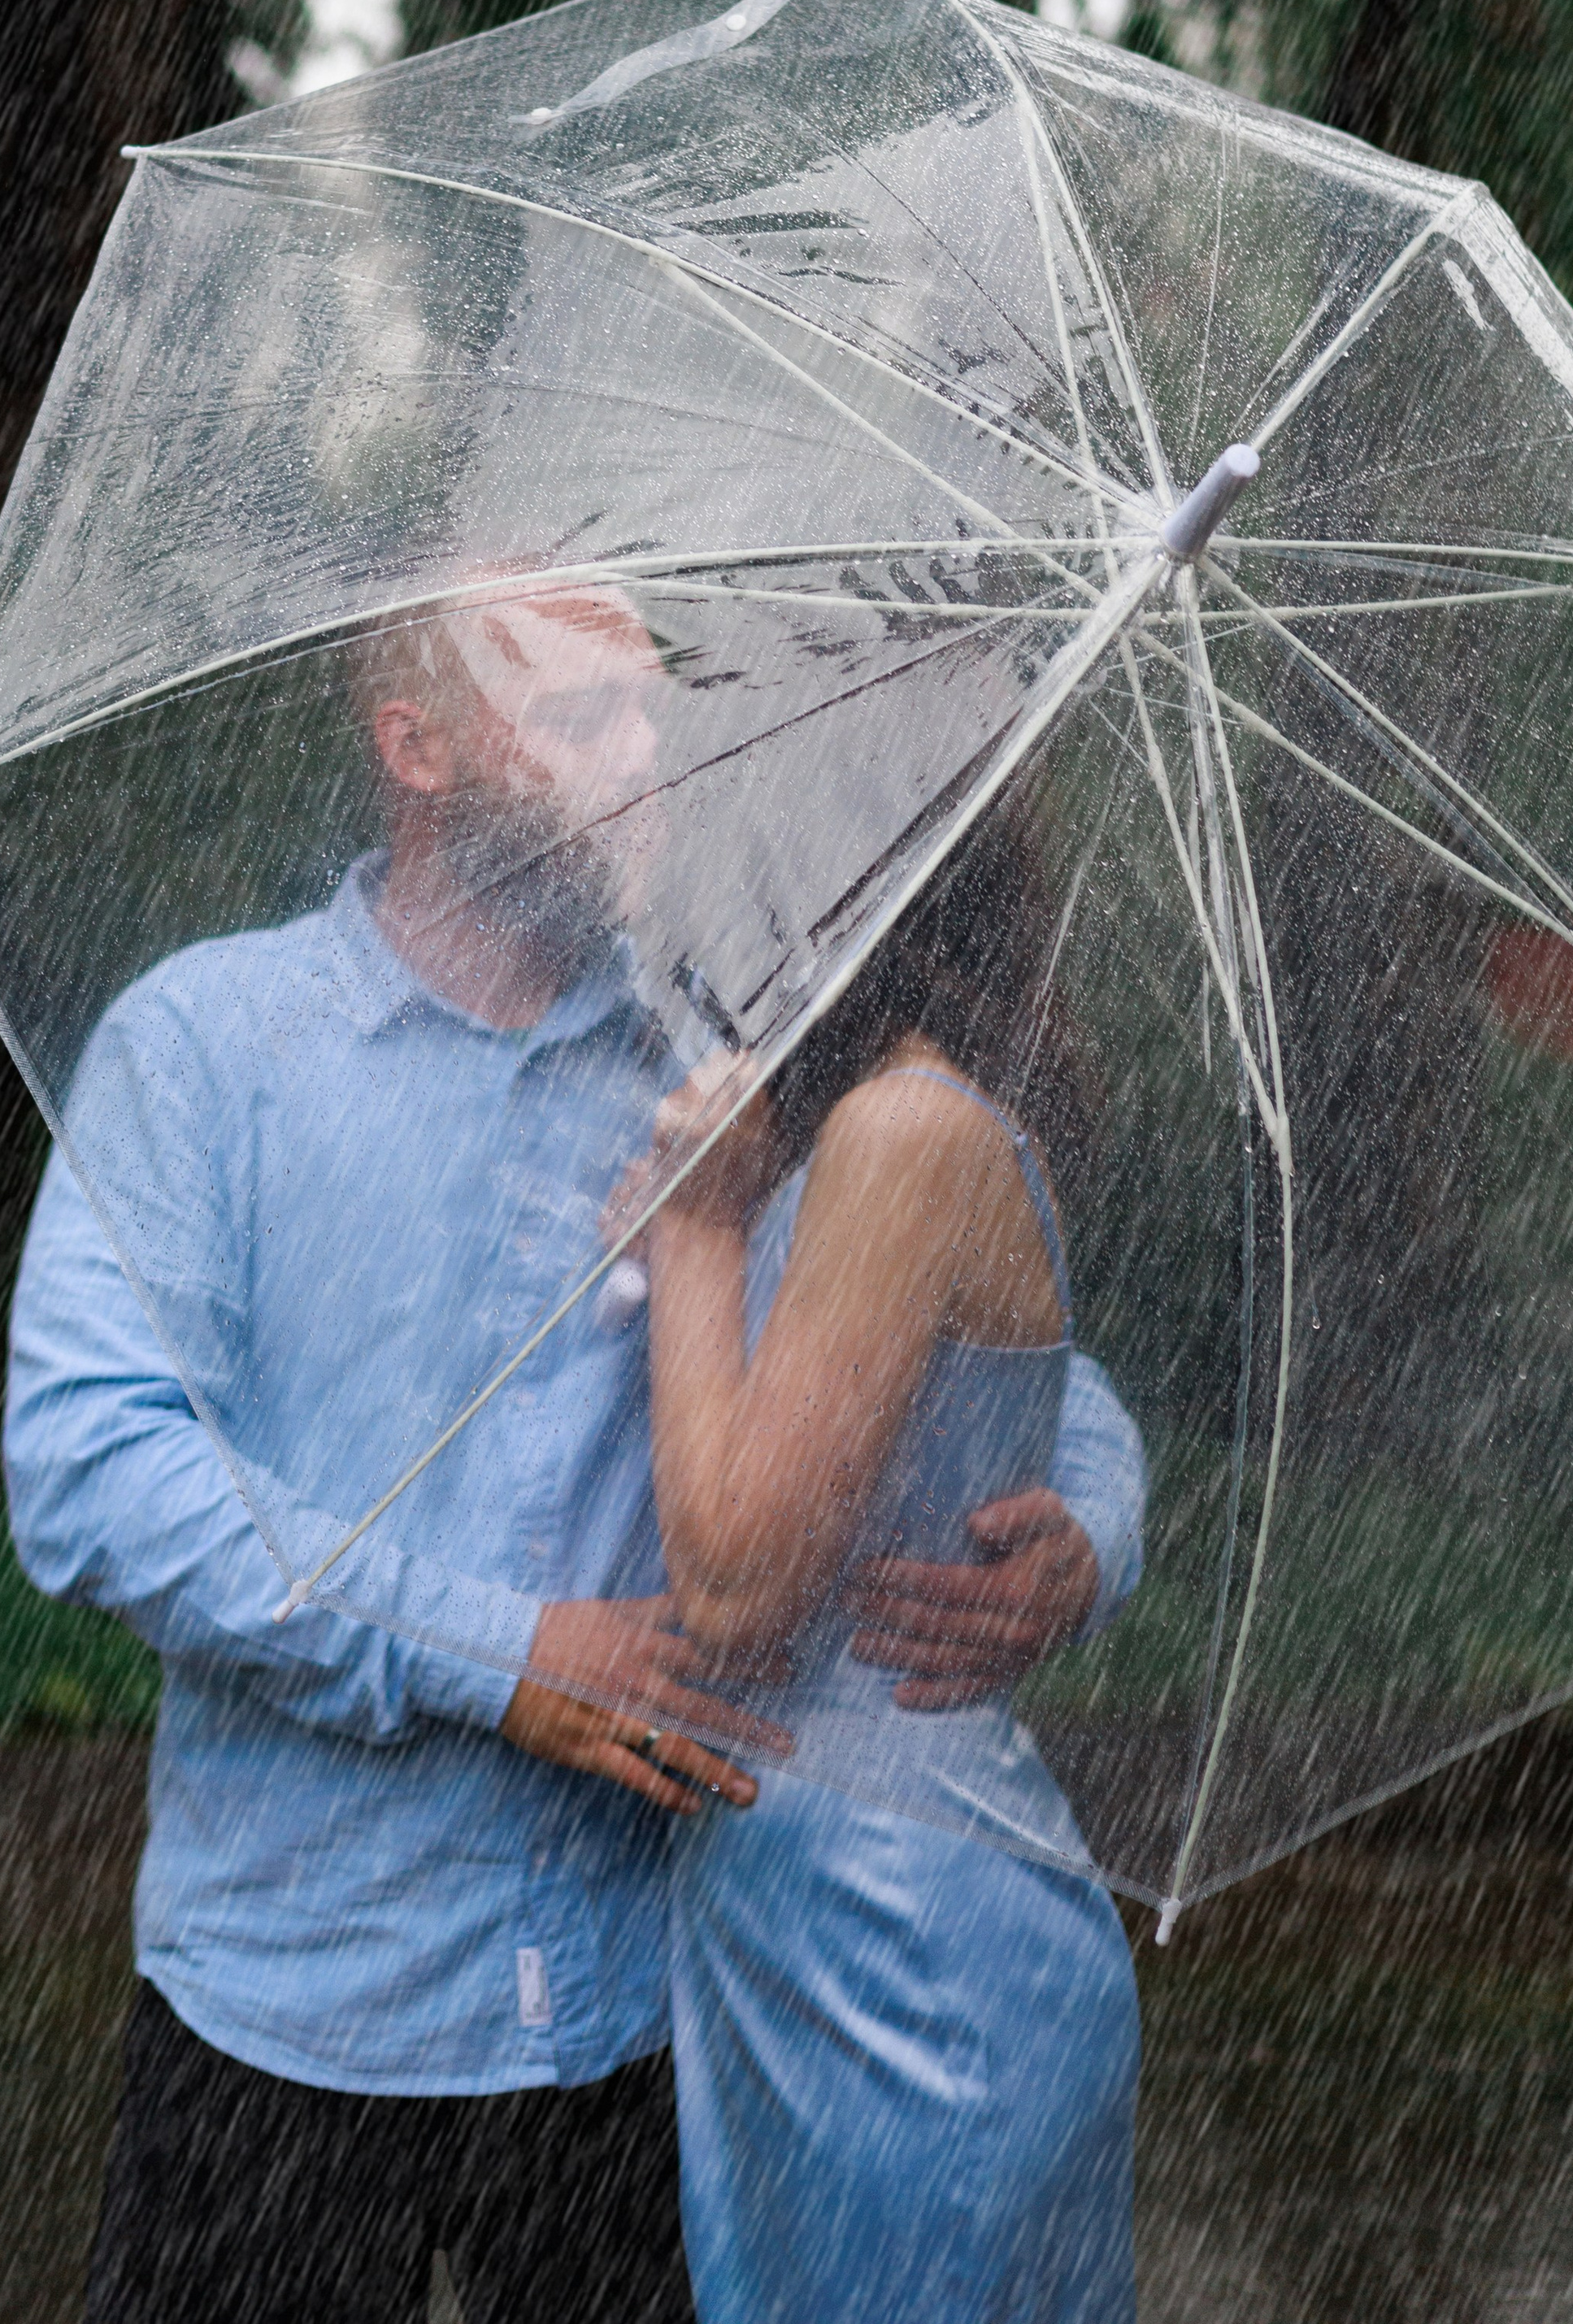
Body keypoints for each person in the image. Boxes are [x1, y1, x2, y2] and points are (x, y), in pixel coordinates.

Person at [4, 582, 1143, 2323]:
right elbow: (96, 1479)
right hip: (295, 2005)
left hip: (639, 2014)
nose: (650, 754)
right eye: (585, 718)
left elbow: (1000, 1341)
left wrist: (1088, 1533)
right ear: (419, 749)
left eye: (652, 708)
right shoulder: (205, 1049)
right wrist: (495, 1654)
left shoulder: (729, 1067)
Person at [616, 809, 1142, 2324]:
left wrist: (698, 1239)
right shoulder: (837, 1122)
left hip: (896, 1940)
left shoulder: (899, 1134)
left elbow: (738, 1593)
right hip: (805, 1919)